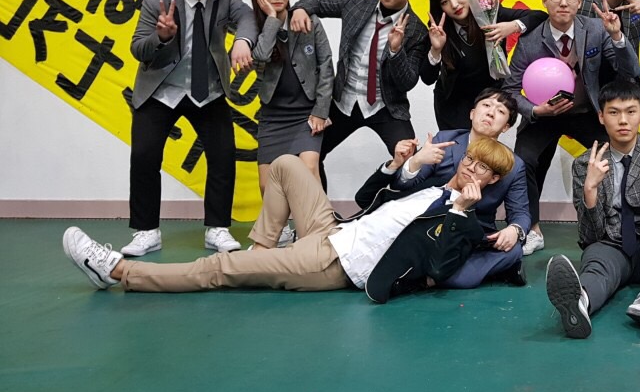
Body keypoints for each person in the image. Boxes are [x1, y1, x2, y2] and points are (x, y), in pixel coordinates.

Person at [62, 137, 512, 295]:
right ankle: (261, 251)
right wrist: (402, 164)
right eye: (470, 160)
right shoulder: (430, 184)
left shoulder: (469, 222)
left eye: (482, 169)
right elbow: (367, 198)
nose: (470, 168)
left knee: (220, 267)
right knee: (285, 165)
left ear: (491, 181)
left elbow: (439, 267)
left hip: (336, 262)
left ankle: (119, 272)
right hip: (334, 229)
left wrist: (460, 212)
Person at [123, 0, 256, 257]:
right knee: (144, 157)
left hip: (207, 92)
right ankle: (146, 232)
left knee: (223, 156)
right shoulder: (157, 1)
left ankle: (217, 228)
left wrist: (242, 41)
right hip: (161, 91)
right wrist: (161, 36)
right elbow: (138, 49)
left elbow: (249, 19)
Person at [544, 81, 640, 339]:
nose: (623, 120)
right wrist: (590, 191)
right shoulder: (586, 163)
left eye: (630, 112)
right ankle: (580, 303)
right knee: (596, 266)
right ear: (601, 117)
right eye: (614, 112)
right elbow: (590, 236)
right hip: (612, 247)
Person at [502, 0, 640, 256]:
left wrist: (617, 36)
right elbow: (510, 90)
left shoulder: (596, 29)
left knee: (616, 153)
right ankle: (531, 228)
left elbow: (630, 71)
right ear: (544, 1)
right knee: (523, 161)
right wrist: (536, 110)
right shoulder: (529, 41)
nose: (563, 3)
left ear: (580, 1)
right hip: (544, 116)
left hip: (584, 112)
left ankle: (615, 222)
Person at [289, 0, 428, 192]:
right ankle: (321, 212)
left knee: (411, 162)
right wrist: (300, 9)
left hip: (386, 107)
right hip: (343, 100)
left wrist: (396, 51)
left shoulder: (416, 30)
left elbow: (408, 82)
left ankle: (387, 210)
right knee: (307, 154)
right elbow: (319, 2)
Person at [386, 88, 530, 288]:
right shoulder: (444, 141)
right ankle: (490, 271)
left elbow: (520, 213)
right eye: (486, 105)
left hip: (472, 236)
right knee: (450, 272)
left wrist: (515, 230)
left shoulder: (514, 165)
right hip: (427, 225)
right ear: (472, 113)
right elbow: (403, 186)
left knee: (513, 249)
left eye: (500, 111)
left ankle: (430, 277)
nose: (490, 113)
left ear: (506, 126)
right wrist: (415, 161)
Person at [422, 0, 546, 130]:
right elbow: (427, 78)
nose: (454, 4)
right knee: (461, 145)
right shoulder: (438, 30)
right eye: (445, 2)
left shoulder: (488, 13)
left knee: (484, 145)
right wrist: (436, 50)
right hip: (454, 105)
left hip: (489, 99)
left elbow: (540, 17)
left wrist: (512, 26)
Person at [250, 0, 334, 192]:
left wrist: (321, 111)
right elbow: (260, 57)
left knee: (309, 169)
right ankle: (283, 217)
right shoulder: (254, 26)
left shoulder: (309, 21)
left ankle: (318, 216)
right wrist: (271, 20)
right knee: (267, 184)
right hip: (273, 115)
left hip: (306, 113)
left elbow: (326, 66)